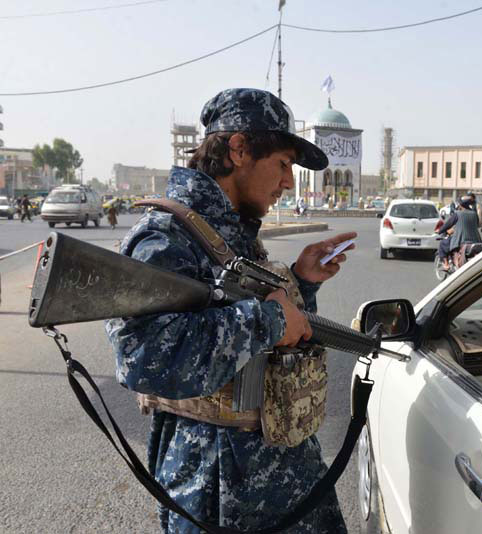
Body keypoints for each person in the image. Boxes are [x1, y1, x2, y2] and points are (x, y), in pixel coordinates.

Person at [105, 88, 354, 533]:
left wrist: (301, 282)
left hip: (280, 472)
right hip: (218, 488)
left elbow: (253, 333)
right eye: (283, 164)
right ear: (238, 150)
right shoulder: (165, 237)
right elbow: (142, 357)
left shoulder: (232, 232)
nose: (288, 182)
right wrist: (269, 320)